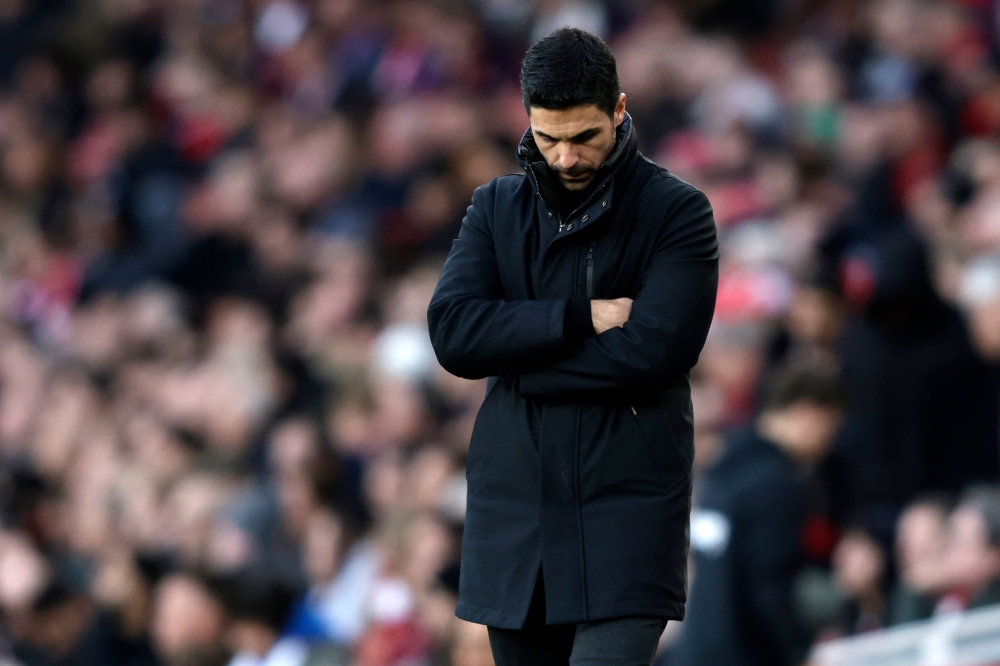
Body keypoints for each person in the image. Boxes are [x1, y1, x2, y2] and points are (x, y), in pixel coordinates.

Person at [427, 27, 719, 666]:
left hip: (628, 511)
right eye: (548, 137)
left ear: (619, 109)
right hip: (518, 513)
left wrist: (520, 365)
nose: (564, 158)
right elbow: (452, 333)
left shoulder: (677, 212)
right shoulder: (494, 207)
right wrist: (579, 318)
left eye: (584, 136)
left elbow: (654, 353)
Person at [669, 365, 844, 666]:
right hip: (744, 652)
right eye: (830, 428)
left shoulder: (724, 470)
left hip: (698, 648)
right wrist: (798, 649)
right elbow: (769, 585)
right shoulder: (774, 483)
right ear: (807, 413)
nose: (828, 444)